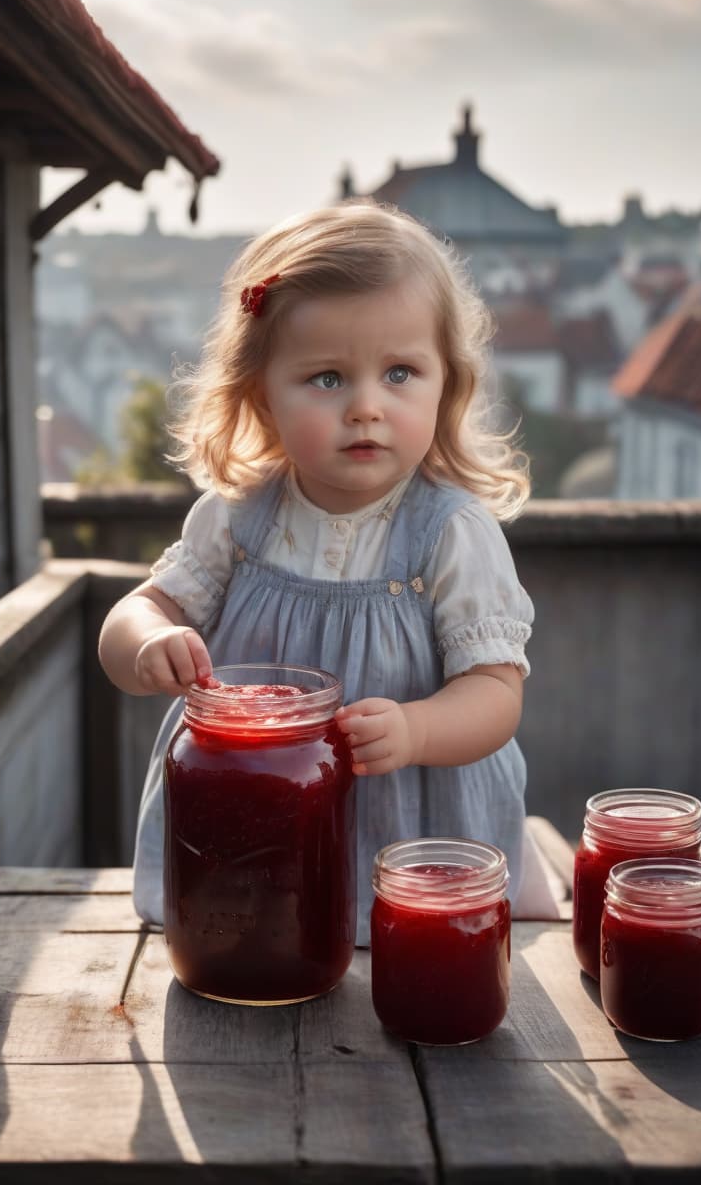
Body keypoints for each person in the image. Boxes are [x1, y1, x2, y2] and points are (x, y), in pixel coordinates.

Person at [98, 200, 558, 943]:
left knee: (410, 975)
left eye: (401, 372)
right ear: (262, 395)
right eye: (326, 378)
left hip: (409, 833)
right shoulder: (240, 517)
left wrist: (416, 728)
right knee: (262, 951)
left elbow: (497, 695)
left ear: (447, 385)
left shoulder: (450, 533)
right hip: (257, 828)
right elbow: (137, 612)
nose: (367, 406)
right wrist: (147, 641)